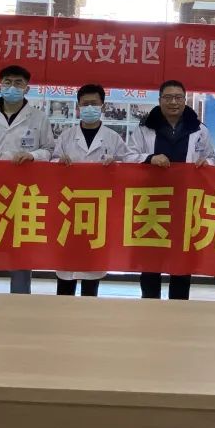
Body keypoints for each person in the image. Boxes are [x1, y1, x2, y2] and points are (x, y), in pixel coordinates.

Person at [0, 65, 54, 295]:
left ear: (27, 88)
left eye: (18, 83)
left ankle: (21, 302)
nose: (12, 87)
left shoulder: (39, 118)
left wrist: (33, 155)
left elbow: (49, 150)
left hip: (23, 193)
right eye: (7, 82)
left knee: (21, 249)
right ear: (0, 85)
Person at [129, 79, 215, 300]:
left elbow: (211, 158)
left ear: (185, 100)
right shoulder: (144, 128)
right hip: (152, 202)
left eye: (178, 97)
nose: (173, 102)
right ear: (159, 101)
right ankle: (150, 304)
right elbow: (129, 156)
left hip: (185, 204)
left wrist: (206, 163)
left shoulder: (199, 129)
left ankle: (179, 306)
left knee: (182, 259)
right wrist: (149, 158)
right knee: (150, 258)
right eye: (168, 98)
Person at [51, 84, 137, 296]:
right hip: (69, 209)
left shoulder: (113, 137)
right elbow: (51, 164)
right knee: (66, 270)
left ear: (103, 106)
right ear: (78, 107)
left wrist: (115, 165)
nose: (89, 107)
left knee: (92, 269)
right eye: (85, 104)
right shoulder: (66, 136)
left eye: (94, 103)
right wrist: (58, 162)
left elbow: (128, 165)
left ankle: (89, 311)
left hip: (98, 210)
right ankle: (62, 308)